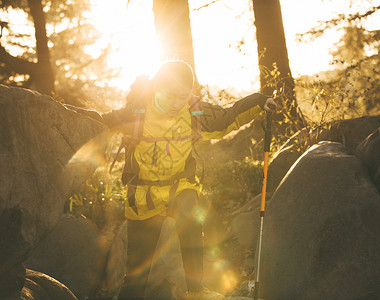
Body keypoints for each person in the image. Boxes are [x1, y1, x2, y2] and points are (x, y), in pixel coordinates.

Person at [67, 60, 276, 299]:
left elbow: (227, 119)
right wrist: (64, 114)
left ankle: (196, 292)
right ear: (157, 89)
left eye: (183, 96)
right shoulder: (137, 113)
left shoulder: (195, 112)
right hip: (144, 198)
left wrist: (260, 101)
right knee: (136, 278)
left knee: (190, 210)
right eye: (171, 96)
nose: (178, 103)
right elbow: (100, 123)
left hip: (179, 188)